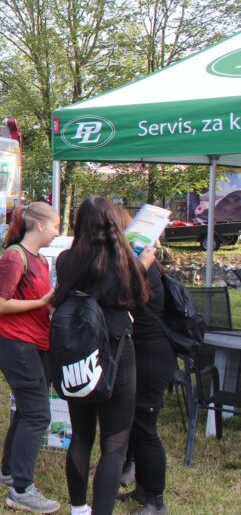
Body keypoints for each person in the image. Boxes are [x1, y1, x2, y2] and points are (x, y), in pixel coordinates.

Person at [54, 197, 154, 515]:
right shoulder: (124, 261)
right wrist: (142, 266)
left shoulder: (66, 260)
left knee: (81, 437)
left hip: (79, 352)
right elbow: (136, 300)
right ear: (113, 224)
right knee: (114, 443)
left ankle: (78, 508)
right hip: (118, 351)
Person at [0, 202, 61, 514]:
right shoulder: (13, 258)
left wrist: (51, 305)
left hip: (34, 344)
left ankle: (7, 473)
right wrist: (41, 302)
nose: (59, 231)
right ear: (41, 226)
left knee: (26, 410)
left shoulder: (41, 260)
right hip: (16, 345)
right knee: (37, 415)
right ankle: (21, 490)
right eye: (57, 225)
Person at [114, 207, 173, 515]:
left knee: (146, 428)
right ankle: (141, 490)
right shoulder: (138, 265)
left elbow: (121, 300)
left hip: (151, 356)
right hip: (143, 352)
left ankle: (156, 501)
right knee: (137, 426)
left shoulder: (140, 269)